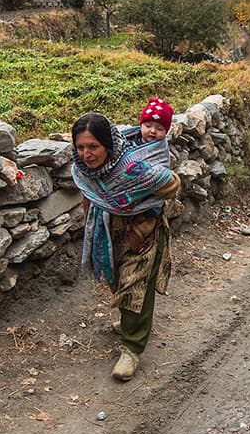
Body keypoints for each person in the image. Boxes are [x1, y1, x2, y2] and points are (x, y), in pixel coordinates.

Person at [71, 111, 181, 381]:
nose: (87, 154)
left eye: (93, 147)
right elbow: (90, 197)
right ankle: (131, 324)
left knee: (136, 287)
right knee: (118, 282)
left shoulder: (132, 167)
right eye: (81, 147)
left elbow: (172, 183)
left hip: (143, 232)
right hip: (108, 233)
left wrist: (139, 199)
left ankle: (131, 350)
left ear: (107, 145)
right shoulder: (82, 170)